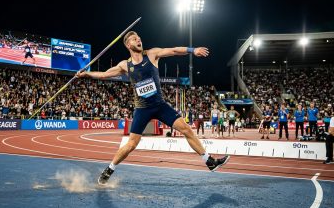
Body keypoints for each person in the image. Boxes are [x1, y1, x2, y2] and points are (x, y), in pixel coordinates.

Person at [77, 31, 229, 185]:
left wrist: (192, 50)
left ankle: (209, 161)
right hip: (142, 109)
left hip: (160, 106)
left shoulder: (151, 54)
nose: (139, 39)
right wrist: (86, 75)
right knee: (131, 144)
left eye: (139, 37)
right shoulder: (125, 65)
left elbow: (174, 50)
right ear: (128, 45)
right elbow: (104, 75)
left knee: (186, 129)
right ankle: (109, 169)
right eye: (134, 39)